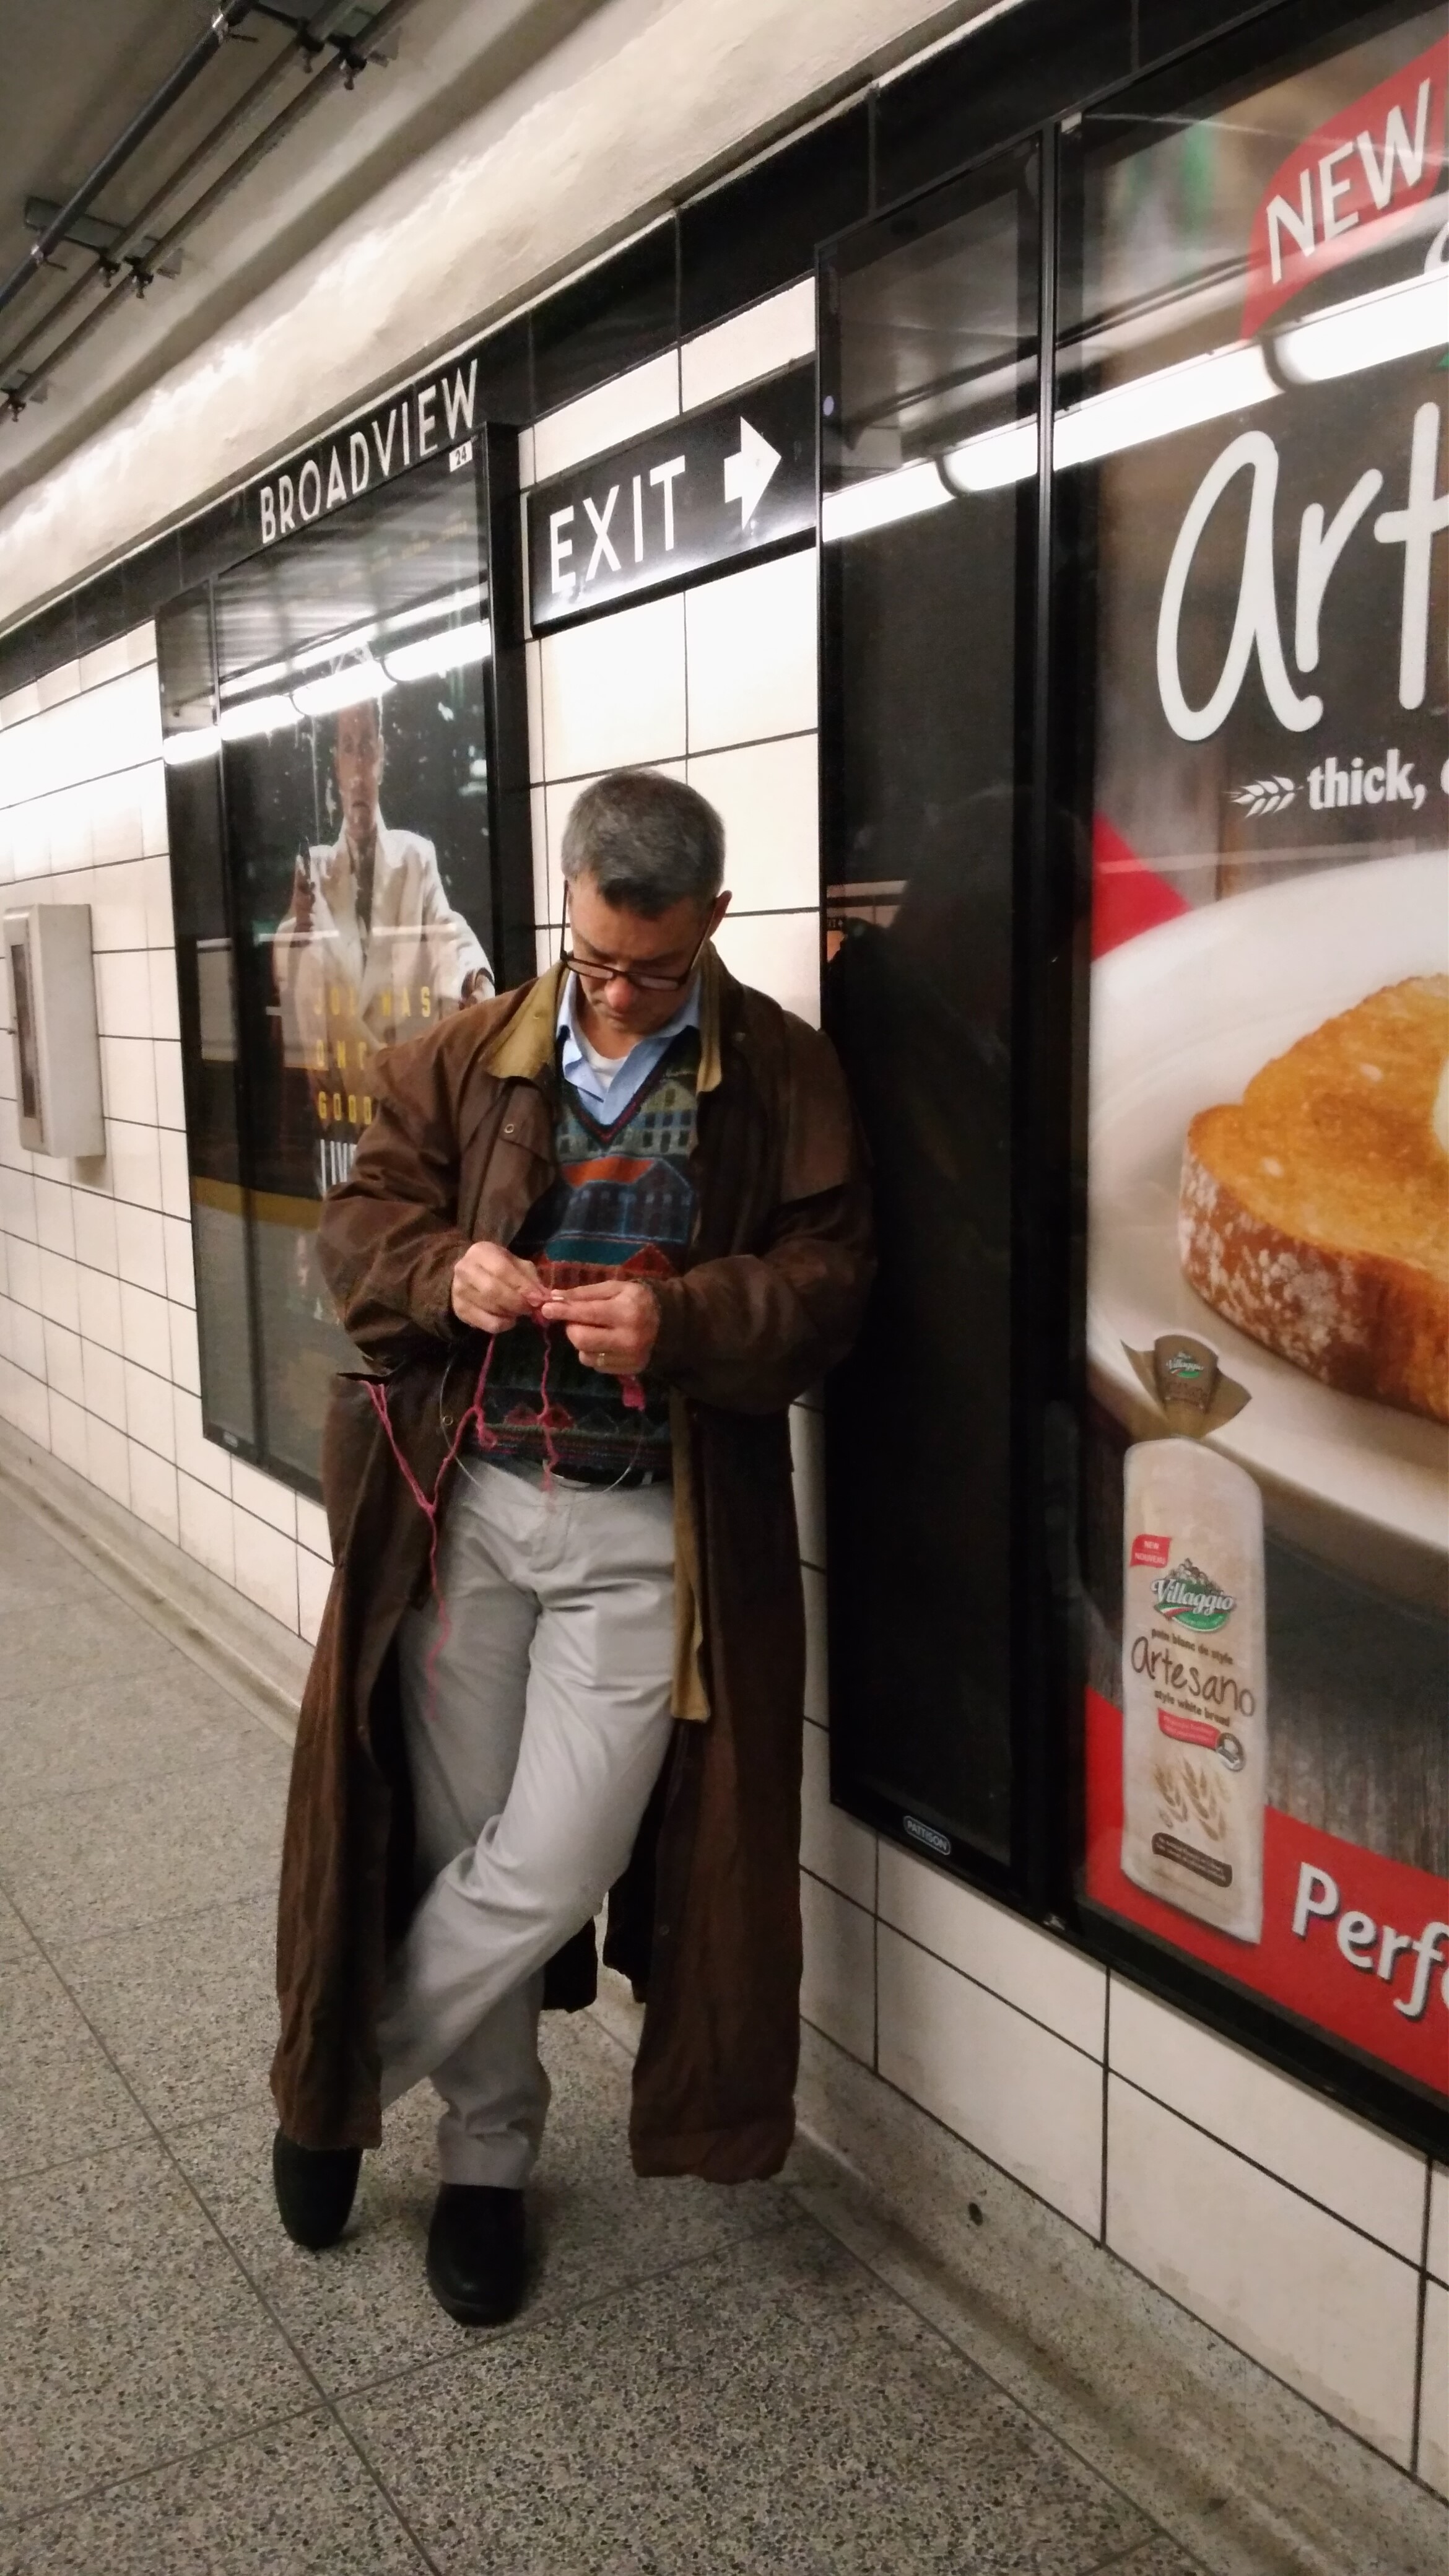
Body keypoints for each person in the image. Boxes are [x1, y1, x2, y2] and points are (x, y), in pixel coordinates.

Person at [269, 767, 872, 2328]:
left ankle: (338, 2079)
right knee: (464, 1831)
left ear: (713, 926)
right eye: (594, 959)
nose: (616, 996)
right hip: (465, 1513)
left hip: (643, 1535)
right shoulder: (464, 1058)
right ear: (567, 908)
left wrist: (681, 1317)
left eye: (653, 971)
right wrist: (436, 1271)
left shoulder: (784, 1076)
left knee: (556, 1858)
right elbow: (357, 1234)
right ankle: (484, 2162)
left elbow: (827, 1286)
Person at [272, 693, 492, 1098]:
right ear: (336, 761)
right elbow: (292, 966)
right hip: (346, 1092)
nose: (358, 767)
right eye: (349, 748)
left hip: (407, 1086)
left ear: (382, 759)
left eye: (367, 747)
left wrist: (472, 978)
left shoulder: (414, 857)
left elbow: (446, 927)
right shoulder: (317, 870)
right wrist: (302, 926)